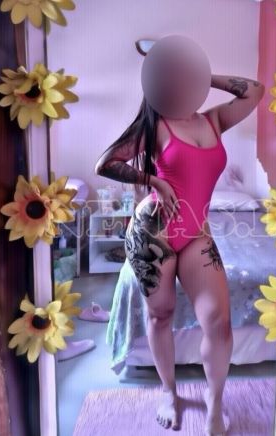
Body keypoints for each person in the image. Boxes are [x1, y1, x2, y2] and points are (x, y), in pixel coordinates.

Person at [95, 72, 264, 434]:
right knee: (160, 316)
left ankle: (214, 404)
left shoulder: (214, 120)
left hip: (196, 233)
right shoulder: (156, 125)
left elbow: (255, 92)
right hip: (152, 232)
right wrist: (153, 180)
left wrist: (204, 75)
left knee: (218, 323)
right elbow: (106, 163)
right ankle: (169, 393)